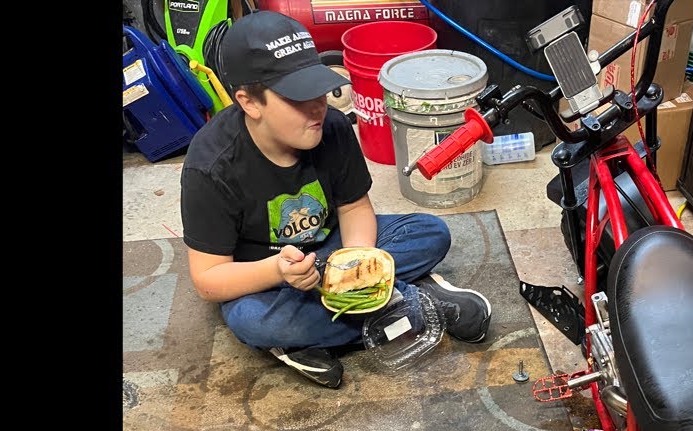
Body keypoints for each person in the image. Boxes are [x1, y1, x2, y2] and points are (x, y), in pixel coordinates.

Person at [178, 10, 492, 389]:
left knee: (429, 231)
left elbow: (354, 207)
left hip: (332, 247)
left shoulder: (334, 127)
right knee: (252, 321)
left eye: (319, 90)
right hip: (265, 273)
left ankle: (330, 327)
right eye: (297, 97)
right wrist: (279, 271)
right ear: (249, 102)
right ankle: (411, 302)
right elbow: (208, 280)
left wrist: (359, 267)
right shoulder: (211, 166)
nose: (317, 106)